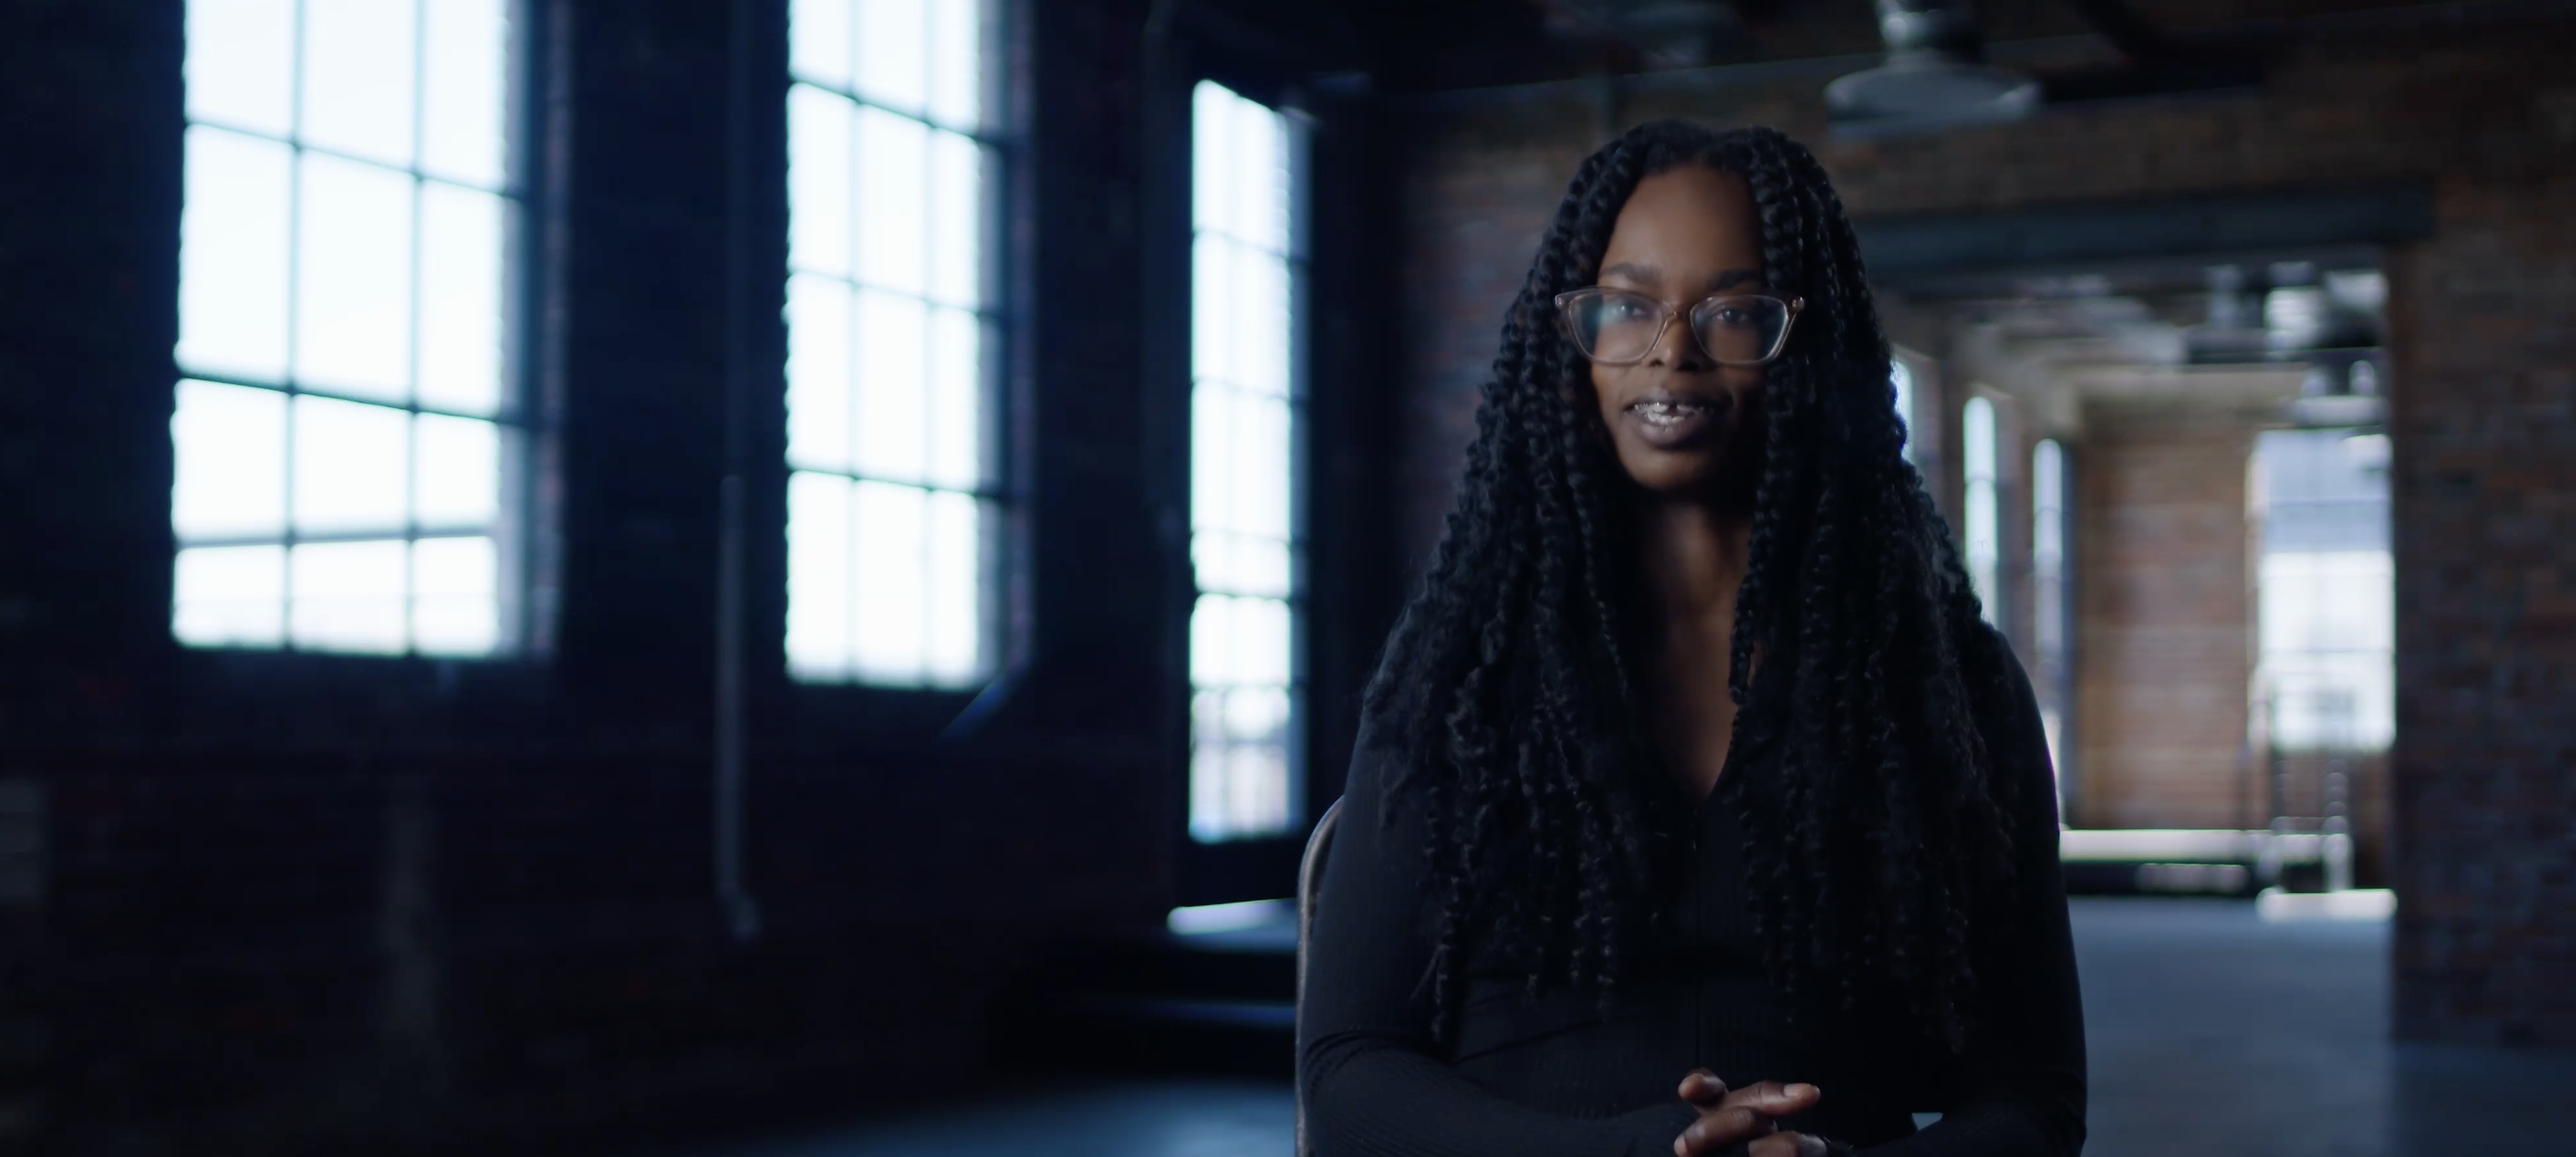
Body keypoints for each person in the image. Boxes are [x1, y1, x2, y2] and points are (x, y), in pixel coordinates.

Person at [1296, 120, 2086, 1157]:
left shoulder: (1950, 686)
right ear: (1571, 341)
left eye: (1734, 312)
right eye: (1628, 306)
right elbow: (1347, 1070)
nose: (1672, 351)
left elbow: (2036, 1098)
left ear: (1812, 348)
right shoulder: (1460, 670)